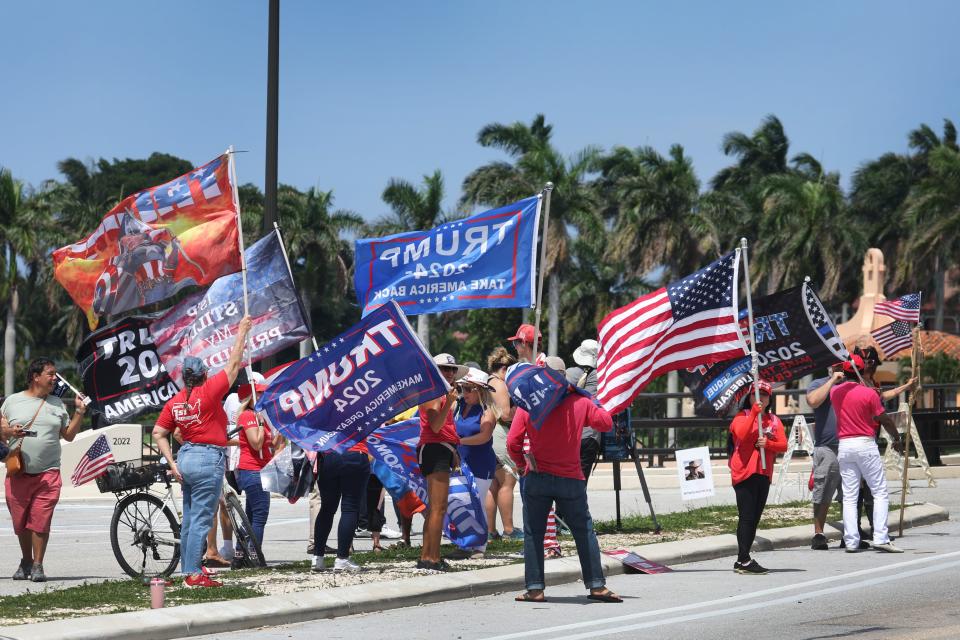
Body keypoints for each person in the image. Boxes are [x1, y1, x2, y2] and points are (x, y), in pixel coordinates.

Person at [153, 316, 252, 588]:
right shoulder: (209, 392)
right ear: (204, 375)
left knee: (189, 518)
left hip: (185, 458)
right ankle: (193, 573)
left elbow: (159, 433)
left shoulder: (175, 401)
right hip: (208, 458)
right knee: (201, 518)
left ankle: (188, 570)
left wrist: (172, 463)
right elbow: (233, 365)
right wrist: (242, 332)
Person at [507, 375, 620, 604]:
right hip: (571, 477)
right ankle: (597, 585)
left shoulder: (529, 403)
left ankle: (535, 588)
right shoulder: (580, 402)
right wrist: (592, 398)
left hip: (537, 476)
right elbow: (606, 423)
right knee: (583, 531)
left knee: (534, 534)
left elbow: (512, 442)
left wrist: (521, 465)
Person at [1, 358, 87, 582]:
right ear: (35, 377)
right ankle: (26, 561)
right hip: (18, 473)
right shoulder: (12, 402)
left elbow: (68, 435)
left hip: (48, 473)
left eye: (55, 374)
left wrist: (79, 412)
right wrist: (11, 431)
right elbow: (1, 431)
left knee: (40, 520)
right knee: (21, 523)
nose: (54, 378)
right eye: (50, 374)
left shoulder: (58, 404)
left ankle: (38, 564)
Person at [831, 355, 905, 553]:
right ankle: (881, 537)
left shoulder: (834, 393)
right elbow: (885, 420)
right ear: (862, 370)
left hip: (845, 445)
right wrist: (897, 438)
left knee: (849, 496)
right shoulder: (869, 393)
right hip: (864, 443)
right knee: (879, 491)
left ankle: (852, 541)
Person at [728, 379, 787, 575]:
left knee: (754, 518)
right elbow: (743, 436)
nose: (759, 398)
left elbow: (783, 445)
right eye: (755, 394)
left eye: (763, 394)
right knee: (746, 516)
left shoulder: (774, 421)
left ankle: (742, 558)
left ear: (769, 398)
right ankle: (744, 559)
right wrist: (754, 413)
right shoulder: (741, 416)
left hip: (764, 472)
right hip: (745, 472)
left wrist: (768, 445)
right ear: (749, 397)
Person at [416, 353, 466, 571]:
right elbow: (435, 426)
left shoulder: (439, 392)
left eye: (452, 369)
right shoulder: (435, 393)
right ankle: (432, 558)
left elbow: (442, 429)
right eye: (445, 368)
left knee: (434, 508)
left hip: (438, 449)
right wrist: (450, 402)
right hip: (434, 449)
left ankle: (427, 555)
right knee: (439, 508)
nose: (450, 373)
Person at [454, 367, 500, 558]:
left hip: (480, 463)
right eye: (462, 388)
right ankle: (465, 544)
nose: (464, 393)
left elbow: (484, 436)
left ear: (479, 390)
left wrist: (458, 441)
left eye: (468, 389)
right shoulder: (459, 407)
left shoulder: (487, 411)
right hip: (462, 461)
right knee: (462, 502)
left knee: (476, 503)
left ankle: (480, 546)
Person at [805, 364, 852, 551]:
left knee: (850, 493)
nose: (837, 367)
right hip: (827, 447)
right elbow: (813, 401)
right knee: (822, 491)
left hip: (850, 445)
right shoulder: (819, 383)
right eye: (833, 364)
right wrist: (833, 380)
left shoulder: (852, 385)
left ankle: (850, 533)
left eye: (841, 363)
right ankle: (819, 533)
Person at [311, 435, 370, 572]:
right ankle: (342, 559)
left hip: (329, 454)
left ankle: (317, 558)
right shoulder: (360, 411)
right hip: (354, 453)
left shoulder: (324, 411)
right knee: (350, 508)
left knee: (327, 509)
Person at [234, 381, 276, 546]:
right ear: (251, 396)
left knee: (250, 517)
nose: (262, 396)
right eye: (259, 393)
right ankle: (254, 554)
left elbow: (269, 443)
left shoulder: (257, 415)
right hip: (253, 470)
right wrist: (259, 423)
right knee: (259, 516)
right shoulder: (249, 416)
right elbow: (256, 444)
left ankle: (240, 554)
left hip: (258, 470)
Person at [486, 347, 521, 541]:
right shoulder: (499, 384)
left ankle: (491, 531)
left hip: (491, 434)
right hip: (500, 434)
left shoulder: (487, 382)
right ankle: (509, 529)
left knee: (494, 485)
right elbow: (505, 414)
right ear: (505, 368)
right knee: (508, 482)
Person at [572, 339, 602, 482]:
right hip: (590, 436)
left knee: (567, 483)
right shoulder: (600, 376)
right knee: (581, 484)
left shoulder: (569, 373)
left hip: (570, 435)